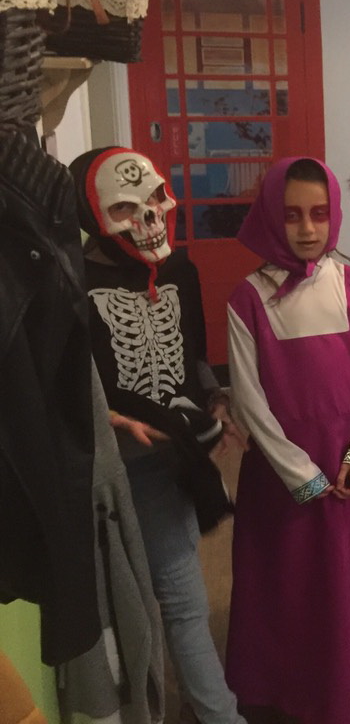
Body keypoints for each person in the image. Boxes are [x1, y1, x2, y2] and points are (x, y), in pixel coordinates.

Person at [225, 157, 350, 724]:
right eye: (291, 215)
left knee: (348, 584)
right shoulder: (247, 298)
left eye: (318, 213)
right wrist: (301, 476)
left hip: (347, 467)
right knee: (291, 589)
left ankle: (349, 686)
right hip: (284, 478)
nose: (308, 228)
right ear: (270, 216)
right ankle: (291, 693)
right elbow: (249, 400)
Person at [70, 145, 241, 724]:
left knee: (177, 582)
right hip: (120, 463)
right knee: (167, 599)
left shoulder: (179, 271)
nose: (149, 218)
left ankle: (199, 704)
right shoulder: (73, 281)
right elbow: (63, 378)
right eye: (125, 208)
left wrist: (215, 398)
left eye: (157, 199)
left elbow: (192, 355)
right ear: (93, 215)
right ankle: (213, 713)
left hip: (177, 450)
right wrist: (107, 420)